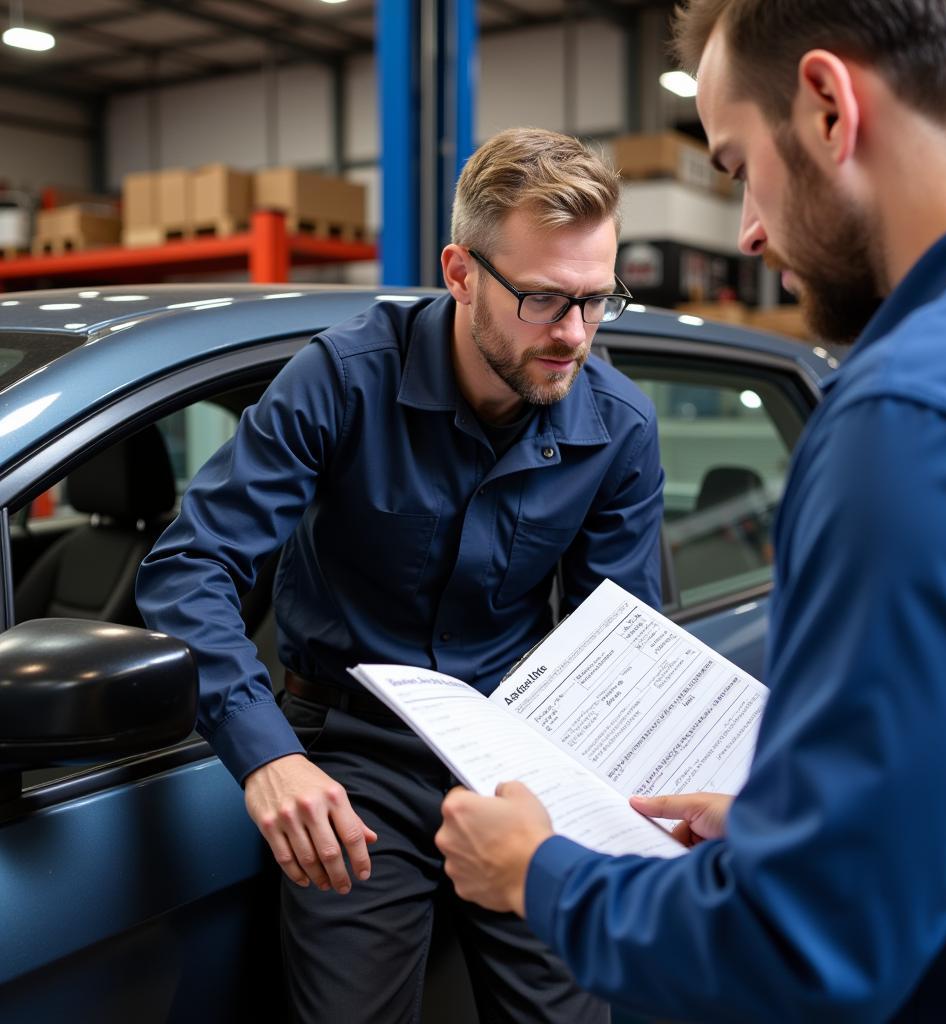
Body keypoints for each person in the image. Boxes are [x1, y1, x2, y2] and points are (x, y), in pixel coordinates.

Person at [435, 3, 946, 1021]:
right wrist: (789, 824)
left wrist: (542, 873)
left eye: (737, 161)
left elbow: (807, 950)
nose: (747, 226)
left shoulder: (905, 420)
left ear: (830, 108)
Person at [135, 127, 664, 1023]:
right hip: (352, 750)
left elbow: (618, 641)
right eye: (542, 299)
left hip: (518, 753)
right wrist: (268, 758)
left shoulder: (618, 427)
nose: (574, 335)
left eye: (595, 299)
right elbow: (193, 565)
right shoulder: (341, 381)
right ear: (460, 273)